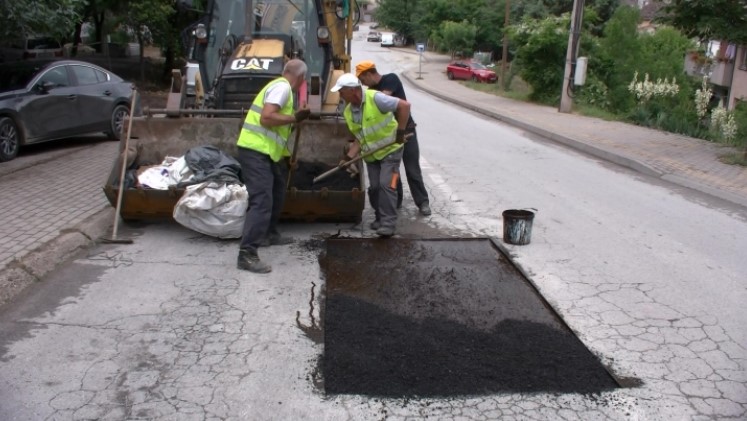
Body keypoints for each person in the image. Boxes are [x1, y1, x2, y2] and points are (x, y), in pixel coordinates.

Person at [236, 59, 310, 273]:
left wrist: (287, 158)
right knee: (262, 200)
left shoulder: (280, 88)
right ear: (302, 78)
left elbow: (278, 133)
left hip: (267, 152)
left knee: (278, 188)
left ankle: (269, 233)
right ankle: (247, 254)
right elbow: (267, 118)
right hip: (255, 151)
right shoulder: (282, 87)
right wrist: (294, 117)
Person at [331, 73, 411, 237]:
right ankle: (379, 217)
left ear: (353, 91)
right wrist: (347, 158)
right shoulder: (348, 112)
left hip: (392, 149)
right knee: (374, 188)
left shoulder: (376, 98)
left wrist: (401, 132)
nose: (340, 95)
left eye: (341, 92)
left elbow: (405, 106)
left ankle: (388, 223)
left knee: (387, 184)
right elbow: (360, 139)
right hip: (371, 154)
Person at [355, 60, 431, 216]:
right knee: (393, 172)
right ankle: (396, 200)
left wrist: (400, 133)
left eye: (363, 80)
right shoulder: (370, 90)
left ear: (369, 73)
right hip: (389, 137)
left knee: (412, 170)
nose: (363, 84)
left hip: (406, 132)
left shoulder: (390, 79)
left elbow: (385, 98)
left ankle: (423, 202)